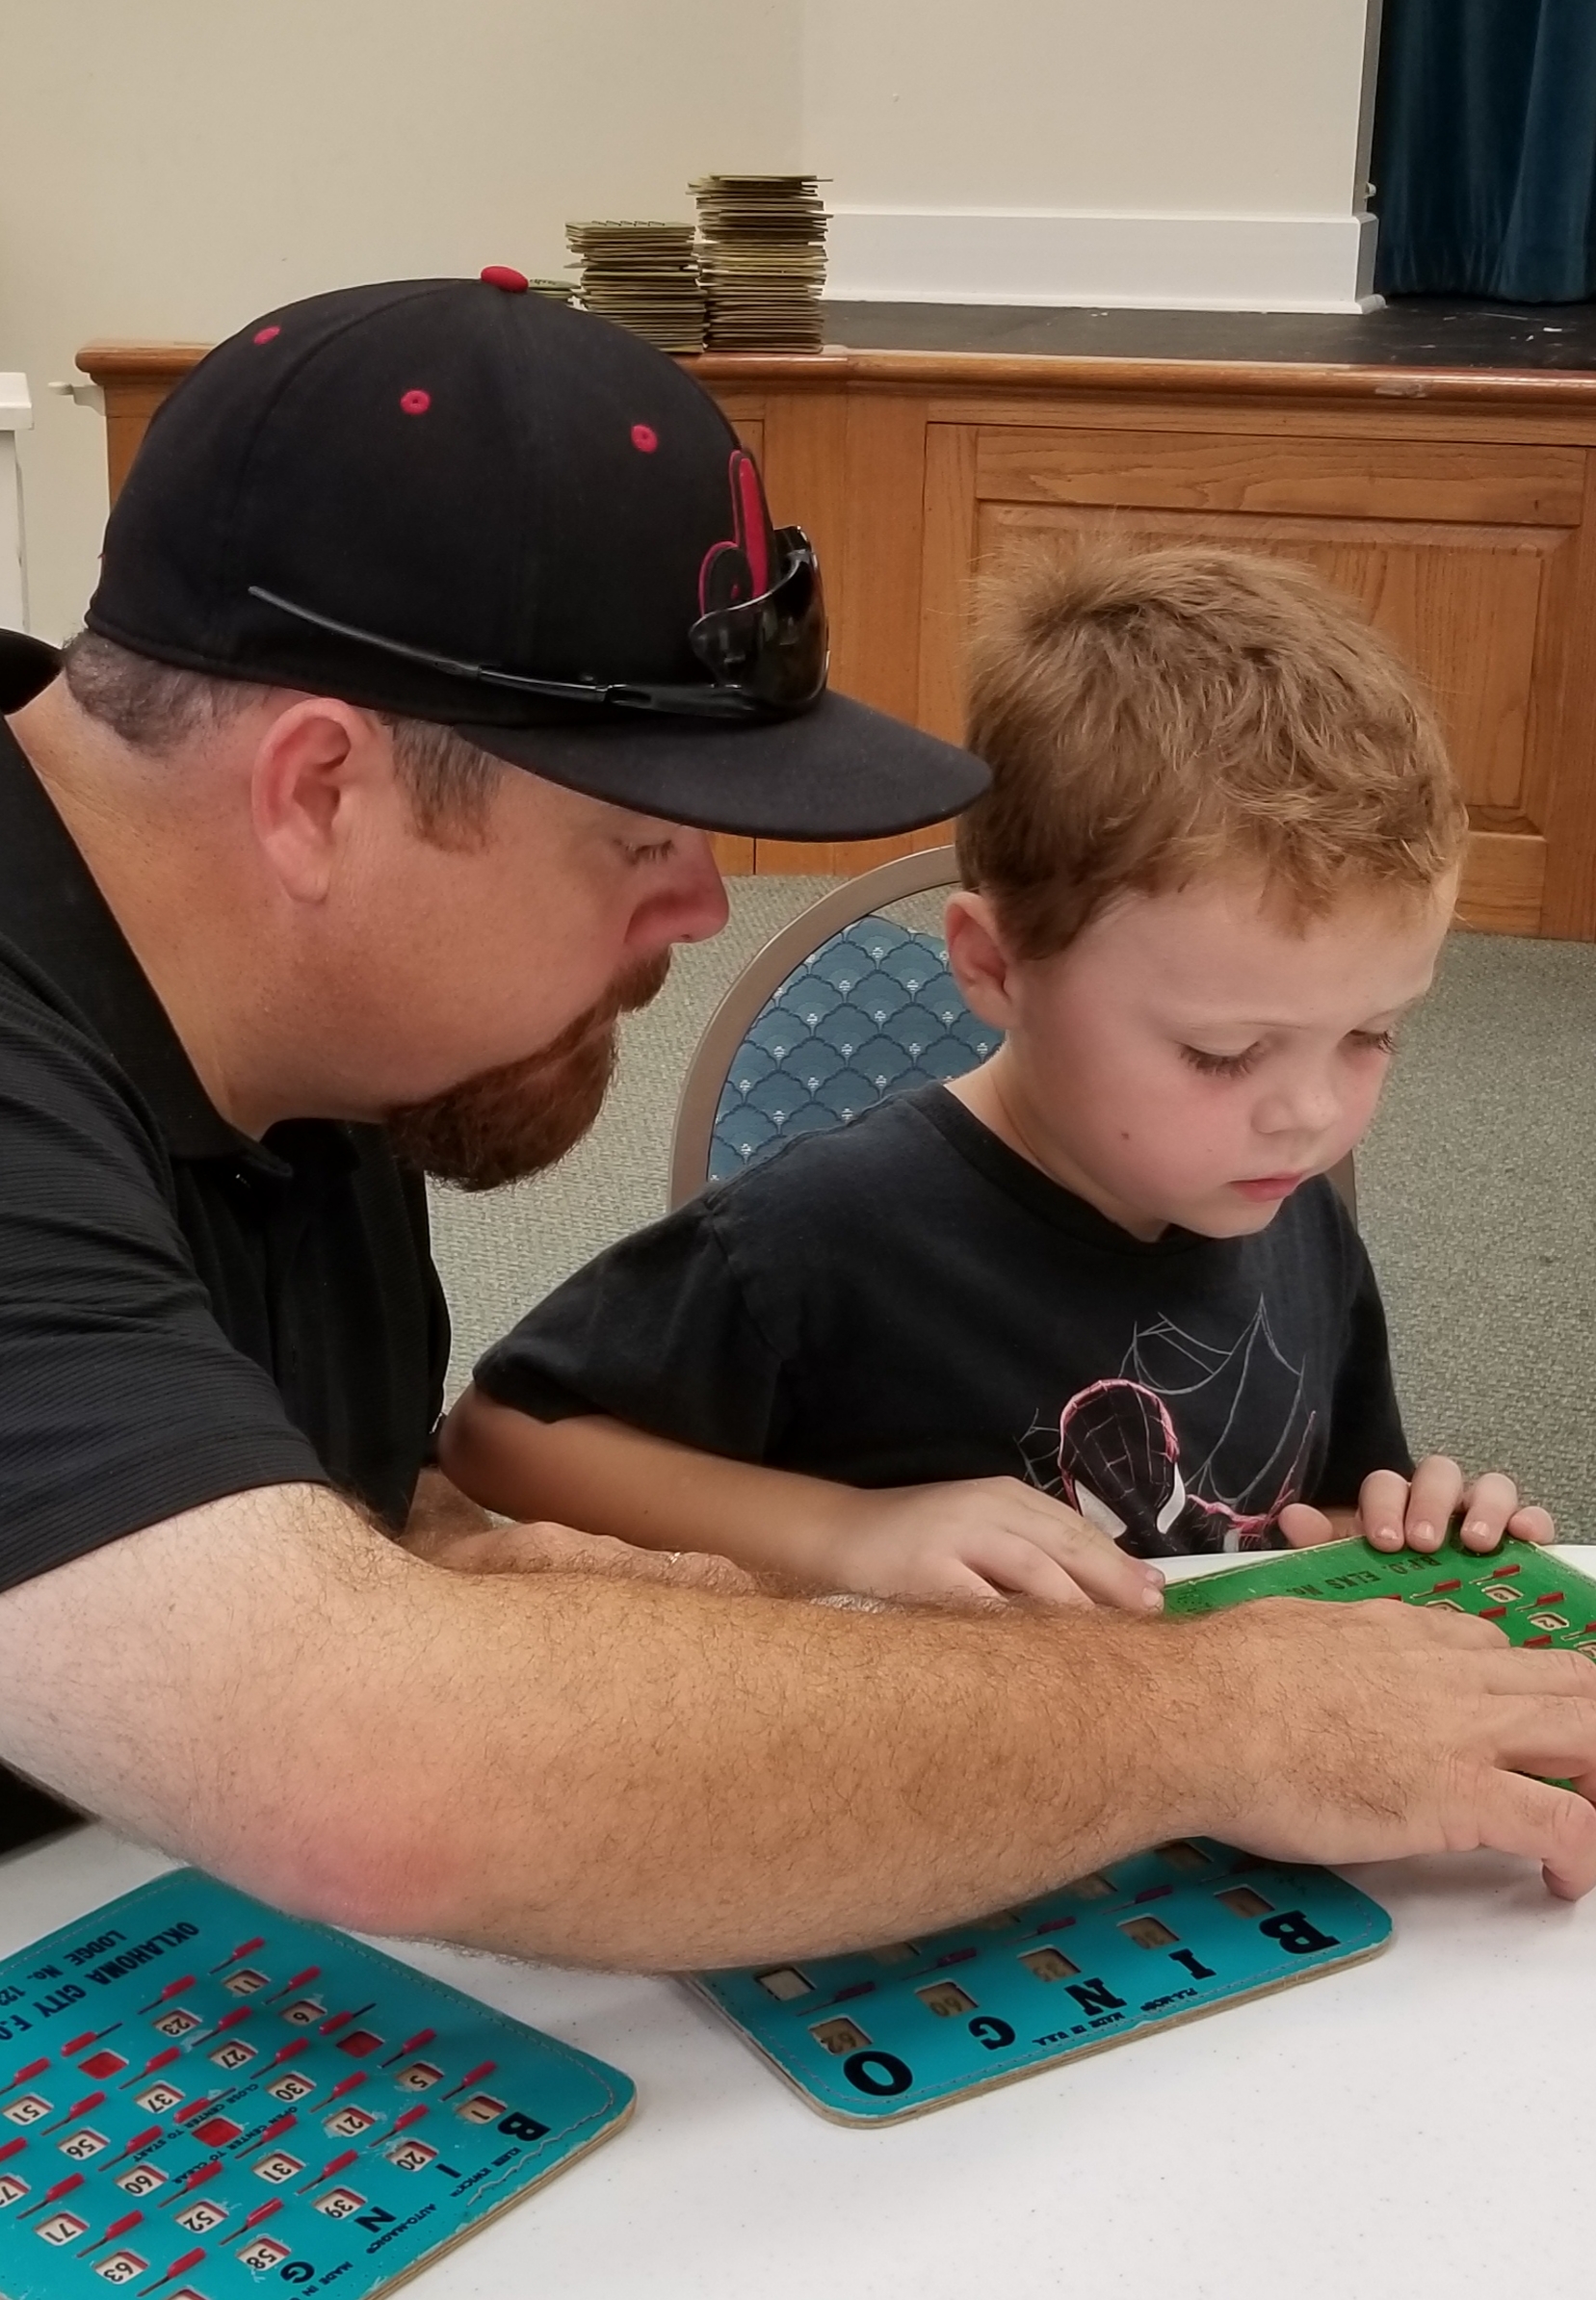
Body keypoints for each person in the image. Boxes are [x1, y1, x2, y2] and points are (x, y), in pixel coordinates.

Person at [0, 276, 1592, 1954]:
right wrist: (1225, 1714)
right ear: (321, 794)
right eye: (639, 836)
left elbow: (317, 1519)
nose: (706, 910)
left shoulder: (290, 1022)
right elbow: (379, 1773)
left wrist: (487, 1560)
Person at [441, 545, 1554, 1601]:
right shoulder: (819, 1236)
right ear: (991, 965)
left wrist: (1400, 1533)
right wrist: (846, 1530)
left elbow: (1322, 1511)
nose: (1313, 1118)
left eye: (1373, 1035)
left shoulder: (1298, 1218)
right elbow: (501, 1435)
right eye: (1222, 1053)